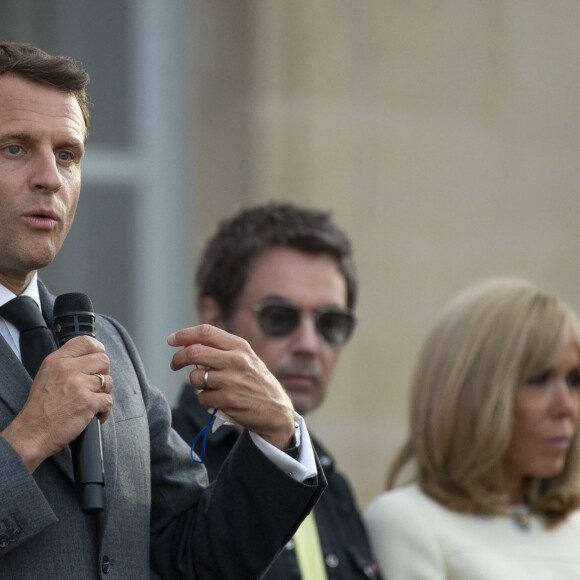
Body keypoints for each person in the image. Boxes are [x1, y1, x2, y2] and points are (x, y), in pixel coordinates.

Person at [0, 41, 325, 579]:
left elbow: (194, 559)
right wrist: (32, 436)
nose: (50, 179)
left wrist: (276, 434)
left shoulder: (110, 346)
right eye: (14, 148)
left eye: (67, 154)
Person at [172, 202, 381, 580]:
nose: (308, 344)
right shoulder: (158, 459)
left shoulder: (332, 483)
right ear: (215, 319)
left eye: (331, 323)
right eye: (279, 317)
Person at [364, 276, 580, 579]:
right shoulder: (406, 523)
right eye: (538, 379)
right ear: (473, 394)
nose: (567, 407)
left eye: (574, 380)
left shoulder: (573, 524)